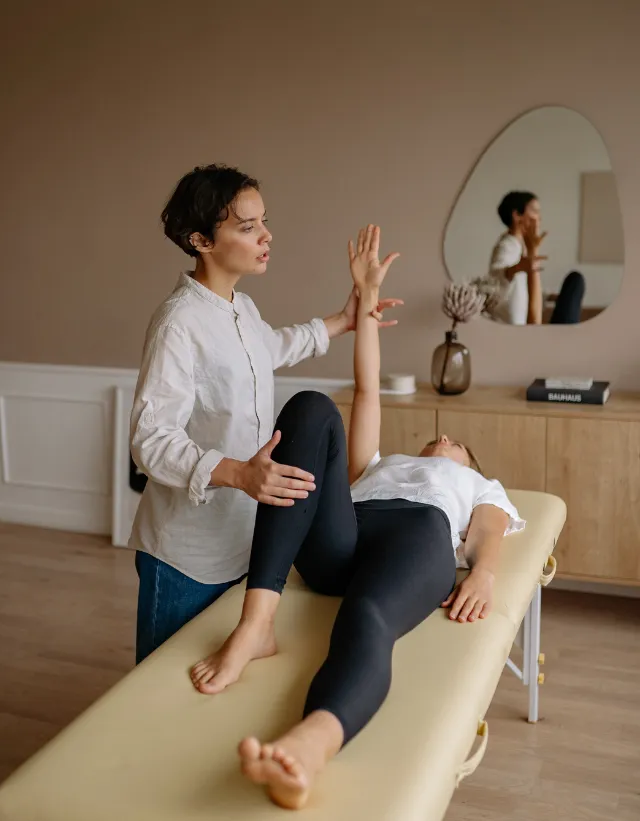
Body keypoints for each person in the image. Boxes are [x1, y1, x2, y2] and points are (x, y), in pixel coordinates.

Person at [190, 225, 525, 810]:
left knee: (367, 617)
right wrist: (366, 299)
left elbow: (489, 527)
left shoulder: (473, 485)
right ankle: (257, 623)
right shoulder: (377, 465)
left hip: (416, 539)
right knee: (311, 407)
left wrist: (484, 573)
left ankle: (308, 747)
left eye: (457, 446)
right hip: (345, 536)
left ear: (469, 466)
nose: (444, 440)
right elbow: (367, 390)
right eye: (438, 441)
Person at [129, 166, 399, 664]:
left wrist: (342, 321)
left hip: (243, 540)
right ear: (201, 241)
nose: (266, 235)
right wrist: (238, 473)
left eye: (264, 221)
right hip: (186, 556)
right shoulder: (178, 324)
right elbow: (150, 439)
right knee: (161, 683)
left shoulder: (242, 309)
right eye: (248, 227)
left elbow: (268, 348)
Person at [482, 191, 547, 325]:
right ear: (517, 215)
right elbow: (495, 277)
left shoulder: (522, 246)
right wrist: (517, 267)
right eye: (535, 211)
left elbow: (522, 287)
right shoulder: (506, 245)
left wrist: (549, 296)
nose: (539, 217)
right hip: (509, 325)